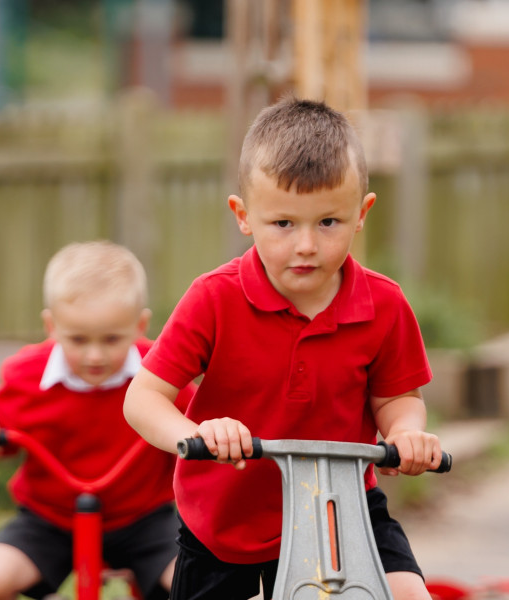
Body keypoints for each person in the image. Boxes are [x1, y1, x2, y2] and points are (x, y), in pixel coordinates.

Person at [123, 98, 444, 600]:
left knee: (406, 594)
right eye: (283, 224)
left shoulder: (384, 305)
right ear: (244, 216)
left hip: (340, 510)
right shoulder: (214, 299)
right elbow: (142, 399)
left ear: (362, 213)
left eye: (328, 222)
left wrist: (406, 432)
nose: (306, 245)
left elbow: (397, 398)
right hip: (224, 520)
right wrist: (197, 433)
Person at [0, 241, 191, 600]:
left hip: (145, 519)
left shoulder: (160, 373)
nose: (94, 355)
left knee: (200, 581)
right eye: (78, 339)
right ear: (52, 326)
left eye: (111, 339)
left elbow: (195, 421)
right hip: (50, 519)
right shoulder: (27, 375)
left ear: (140, 325)